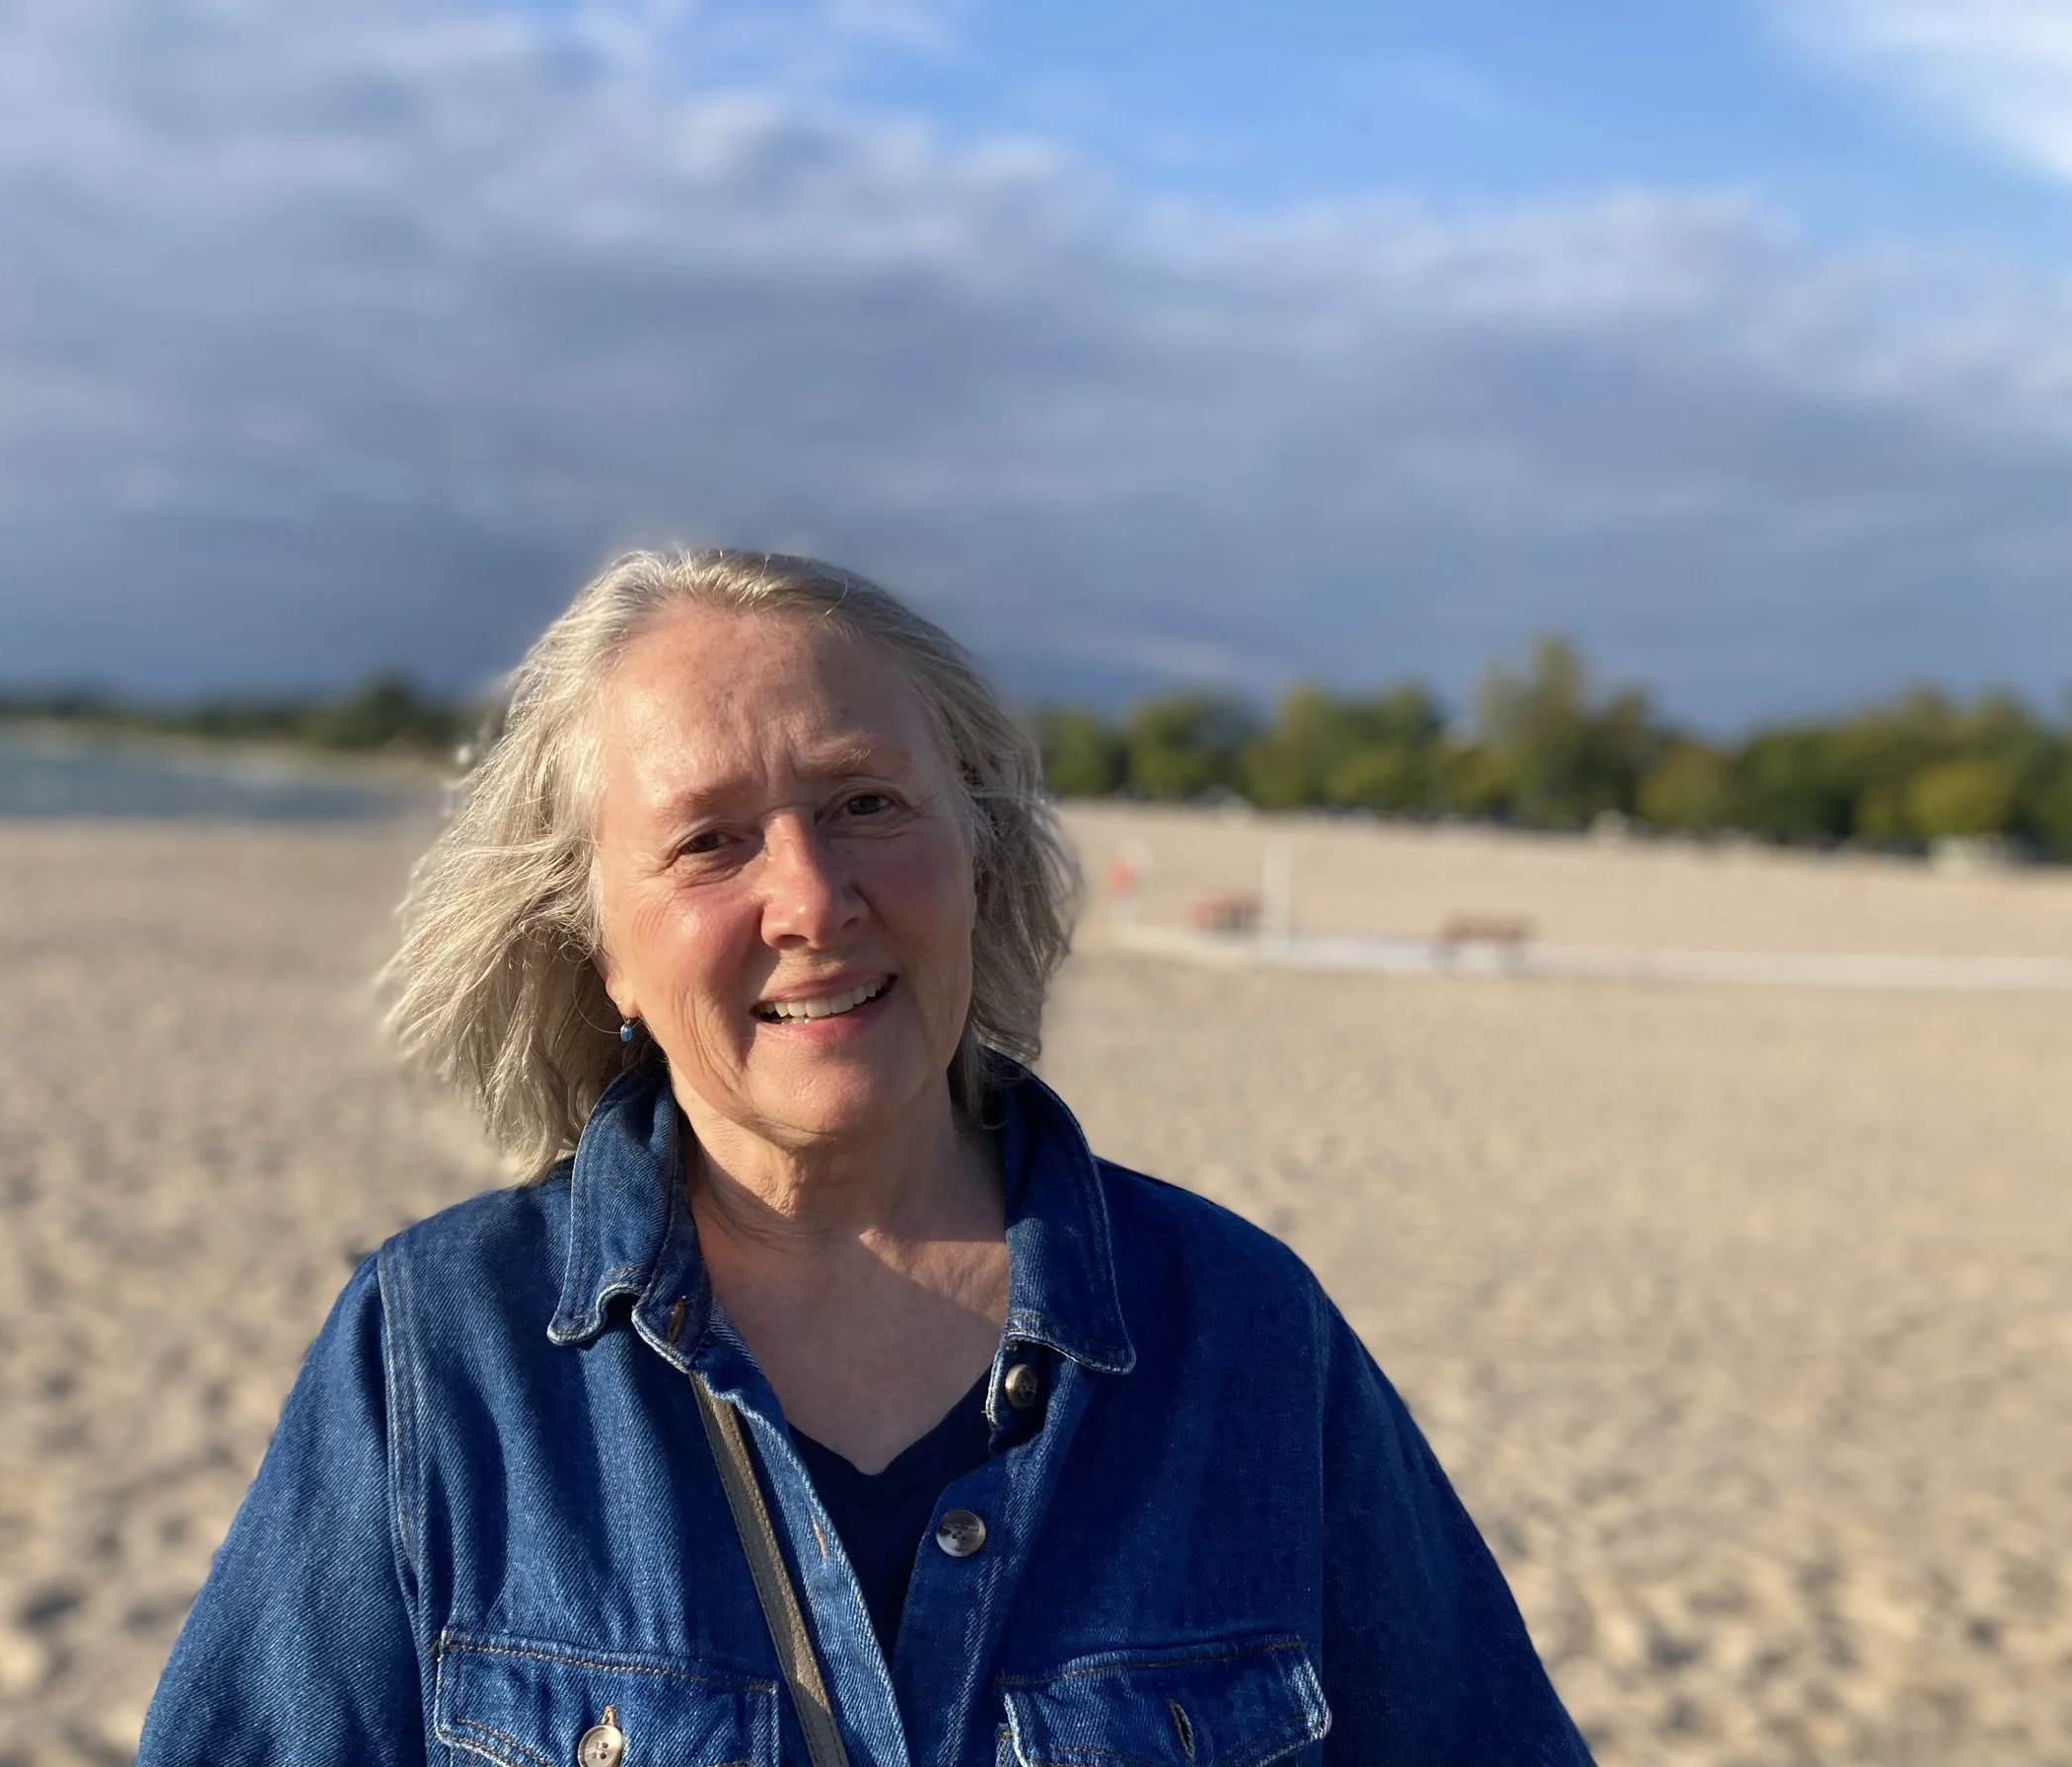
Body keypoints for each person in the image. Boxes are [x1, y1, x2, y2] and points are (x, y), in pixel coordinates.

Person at [137, 550, 1593, 1767]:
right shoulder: (441, 1358)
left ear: (978, 847)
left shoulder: (1243, 1335)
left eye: (867, 804)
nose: (814, 900)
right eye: (709, 841)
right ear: (597, 951)